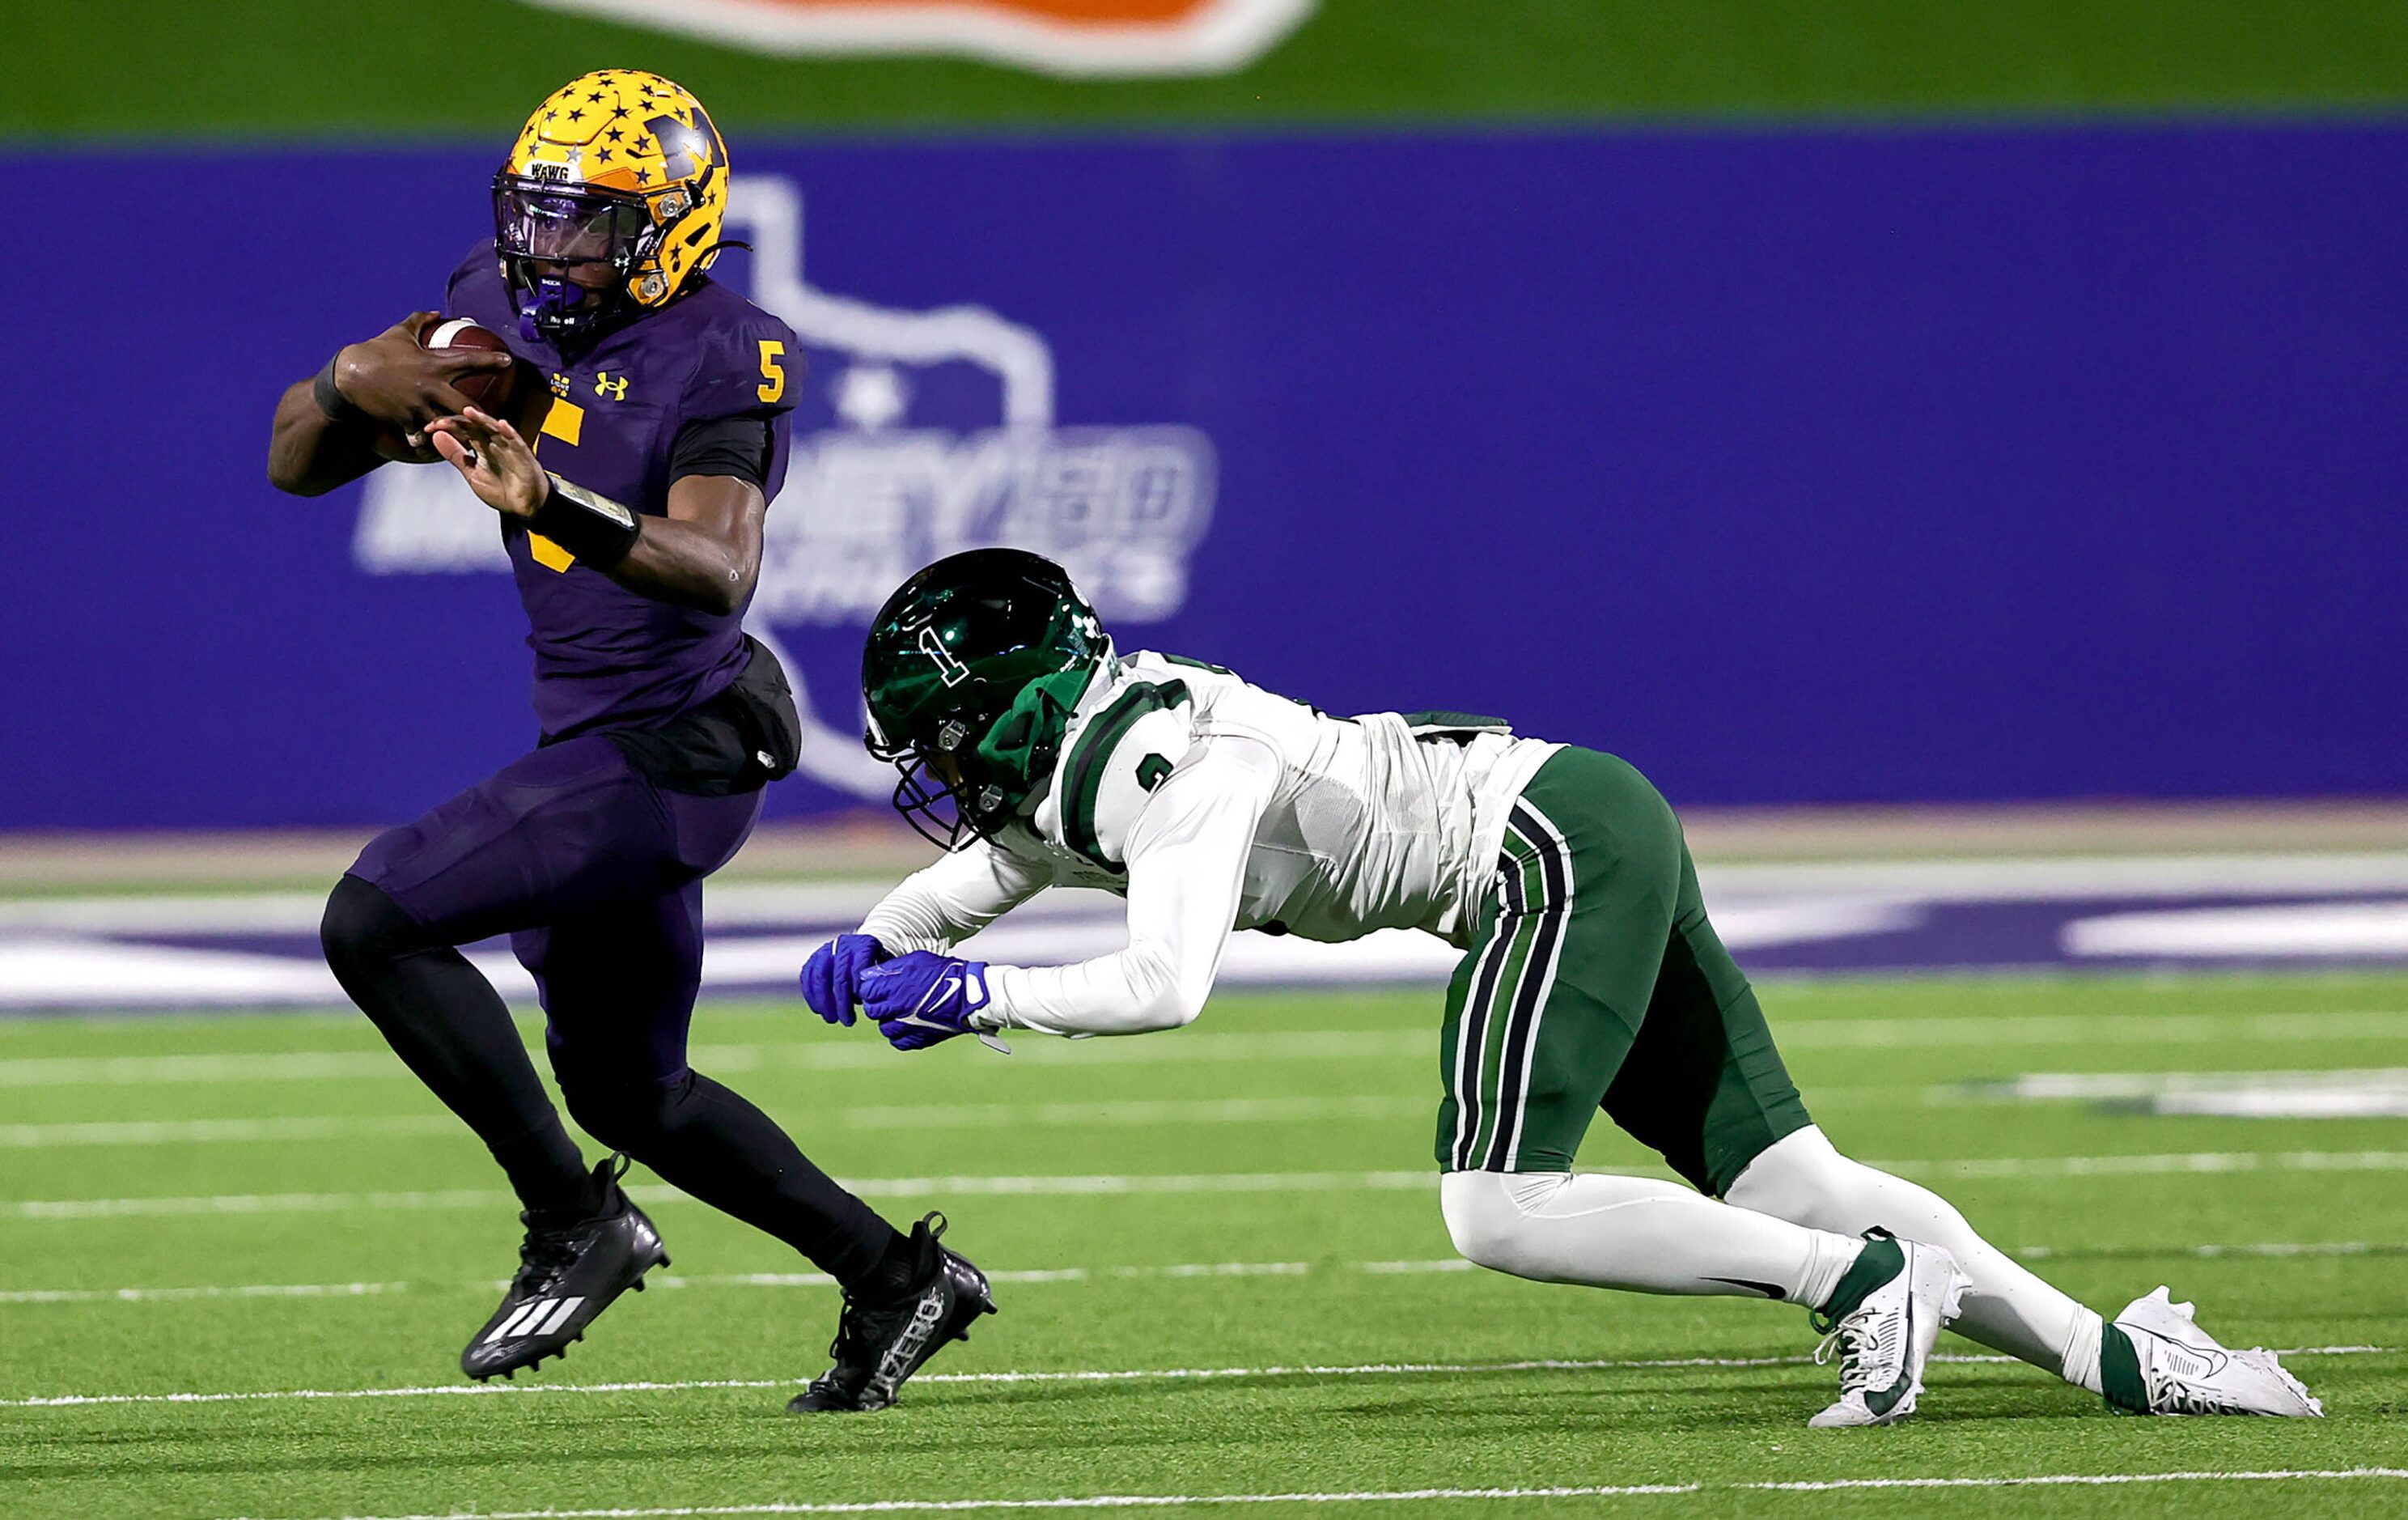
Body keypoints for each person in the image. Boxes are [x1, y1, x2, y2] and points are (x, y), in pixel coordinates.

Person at [799, 546, 2321, 1426]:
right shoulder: (1092, 752)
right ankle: (2118, 1356)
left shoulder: (1168, 765)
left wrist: (983, 1001)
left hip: (1540, 850)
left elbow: (1163, 983)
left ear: (1018, 702)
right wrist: (880, 939)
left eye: (942, 732)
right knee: (1794, 1170)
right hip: (1584, 812)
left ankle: (1860, 1286)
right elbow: (986, 871)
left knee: (1499, 1204)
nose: (934, 770)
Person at [267, 70, 990, 1413]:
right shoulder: (489, 301)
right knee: (630, 1089)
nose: (552, 253)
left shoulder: (726, 349)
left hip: (679, 751)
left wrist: (551, 490)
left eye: (589, 225)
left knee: (374, 919)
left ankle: (572, 1221)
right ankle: (894, 1276)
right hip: (594, 742)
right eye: (538, 219)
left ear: (672, 226)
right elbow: (293, 463)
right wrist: (346, 378)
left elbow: (716, 566)